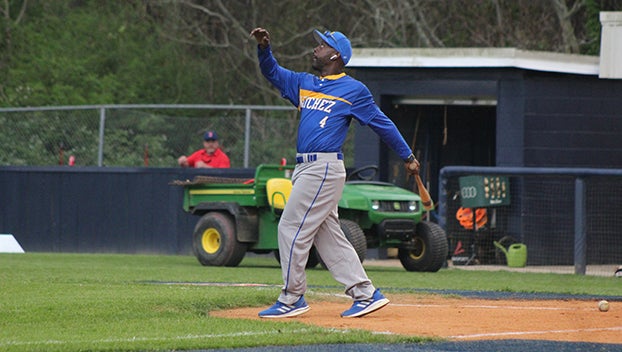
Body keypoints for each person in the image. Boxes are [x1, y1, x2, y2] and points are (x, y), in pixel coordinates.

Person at [249, 27, 420, 319]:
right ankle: (365, 294)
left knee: (290, 228)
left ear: (336, 55)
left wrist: (407, 155)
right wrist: (264, 49)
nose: (316, 48)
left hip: (323, 167)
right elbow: (273, 73)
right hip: (306, 167)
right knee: (327, 237)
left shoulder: (353, 90)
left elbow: (383, 123)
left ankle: (292, 298)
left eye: (322, 45)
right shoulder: (305, 83)